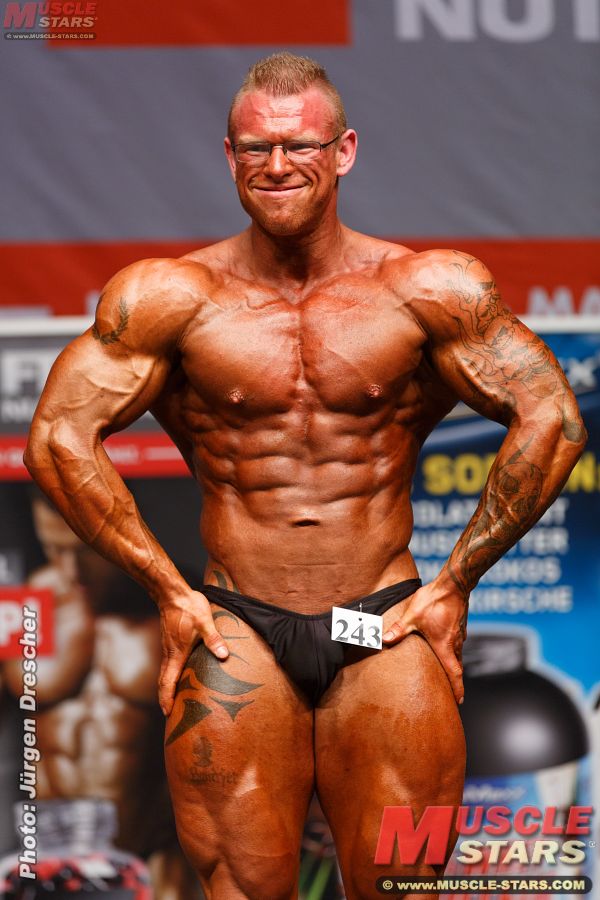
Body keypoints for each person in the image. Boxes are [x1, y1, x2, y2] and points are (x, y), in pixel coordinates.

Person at [24, 52, 586, 900]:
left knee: (402, 887)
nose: (277, 165)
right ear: (229, 156)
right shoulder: (170, 299)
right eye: (256, 148)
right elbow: (57, 438)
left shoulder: (425, 289)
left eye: (300, 145)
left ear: (344, 150)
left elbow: (554, 419)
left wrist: (456, 581)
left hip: (383, 624)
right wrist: (168, 591)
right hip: (238, 630)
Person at [2, 488, 202, 900]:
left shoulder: (178, 604)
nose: (70, 569)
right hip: (50, 862)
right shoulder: (25, 607)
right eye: (54, 549)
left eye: (84, 551)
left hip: (152, 860)